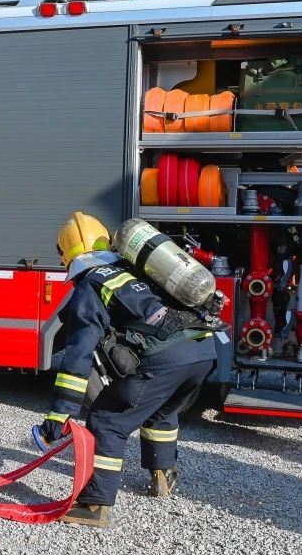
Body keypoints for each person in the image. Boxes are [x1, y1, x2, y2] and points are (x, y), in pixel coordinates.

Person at [35, 212, 218, 529]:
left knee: (107, 419)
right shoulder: (137, 269)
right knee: (158, 408)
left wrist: (59, 416)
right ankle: (164, 473)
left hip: (168, 357)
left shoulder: (91, 284)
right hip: (204, 350)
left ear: (68, 254)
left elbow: (78, 356)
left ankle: (94, 505)